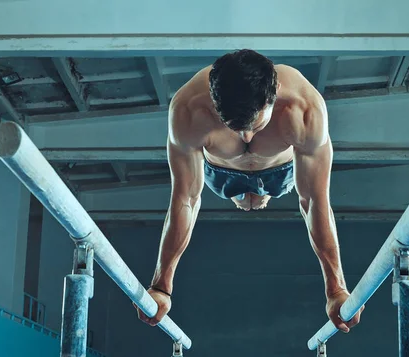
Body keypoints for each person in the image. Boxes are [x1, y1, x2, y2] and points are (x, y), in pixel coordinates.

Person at [133, 49, 364, 333]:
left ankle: (257, 195)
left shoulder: (304, 108)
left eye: (256, 126)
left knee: (258, 197)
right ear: (214, 101)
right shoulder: (188, 109)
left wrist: (336, 289)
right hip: (221, 173)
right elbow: (186, 199)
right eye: (235, 127)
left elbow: (313, 200)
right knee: (242, 196)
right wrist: (161, 287)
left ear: (275, 91)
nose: (247, 137)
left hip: (280, 173)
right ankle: (246, 195)